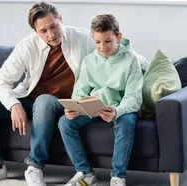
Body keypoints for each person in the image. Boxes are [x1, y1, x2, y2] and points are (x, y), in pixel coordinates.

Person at [0, 1, 94, 186]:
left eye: (54, 26)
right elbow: (0, 80)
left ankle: (35, 167)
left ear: (60, 19)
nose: (51, 34)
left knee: (44, 100)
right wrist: (14, 105)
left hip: (62, 103)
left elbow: (116, 48)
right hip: (30, 99)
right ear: (35, 31)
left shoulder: (83, 37)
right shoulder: (27, 46)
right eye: (43, 31)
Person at [58, 13, 144, 186]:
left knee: (126, 123)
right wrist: (75, 107)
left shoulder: (131, 60)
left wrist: (117, 111)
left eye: (108, 41)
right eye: (97, 42)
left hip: (121, 109)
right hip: (95, 107)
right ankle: (86, 173)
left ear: (118, 37)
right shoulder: (89, 61)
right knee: (64, 123)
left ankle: (118, 177)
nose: (102, 47)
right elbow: (80, 91)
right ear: (93, 39)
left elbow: (133, 98)